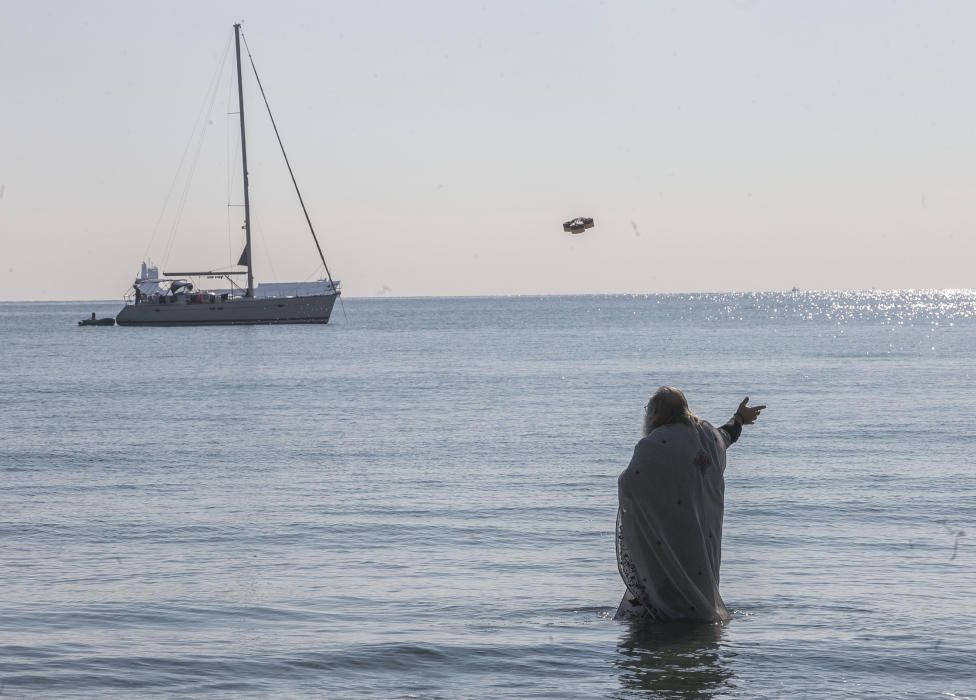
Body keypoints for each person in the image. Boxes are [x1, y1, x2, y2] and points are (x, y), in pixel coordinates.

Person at [615, 387, 764, 622]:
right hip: (700, 533)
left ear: (654, 413)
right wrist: (740, 418)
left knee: (664, 582)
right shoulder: (707, 436)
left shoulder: (652, 445)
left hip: (667, 532)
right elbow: (728, 435)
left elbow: (629, 482)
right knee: (698, 580)